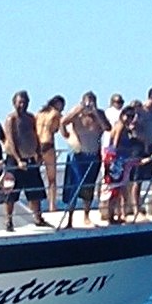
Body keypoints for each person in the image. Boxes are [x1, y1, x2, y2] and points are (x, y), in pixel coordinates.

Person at [2, 90, 50, 229]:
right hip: (14, 161)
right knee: (11, 192)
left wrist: (38, 153)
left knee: (35, 191)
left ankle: (38, 217)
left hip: (30, 159)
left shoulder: (30, 118)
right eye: (20, 102)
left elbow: (34, 135)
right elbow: (11, 140)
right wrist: (18, 160)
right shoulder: (11, 119)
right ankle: (8, 220)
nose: (22, 105)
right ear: (14, 103)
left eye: (25, 102)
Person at [60, 91, 107, 222]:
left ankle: (86, 215)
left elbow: (107, 127)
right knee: (75, 184)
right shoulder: (77, 113)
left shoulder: (99, 114)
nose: (89, 105)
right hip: (78, 154)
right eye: (87, 102)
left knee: (88, 186)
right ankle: (69, 218)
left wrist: (95, 112)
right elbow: (63, 122)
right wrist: (66, 135)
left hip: (93, 154)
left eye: (92, 102)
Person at [34, 95, 66, 212]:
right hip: (48, 143)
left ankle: (32, 205)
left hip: (37, 144)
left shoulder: (39, 114)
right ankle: (52, 205)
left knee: (33, 175)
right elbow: (56, 129)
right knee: (51, 178)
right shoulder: (56, 114)